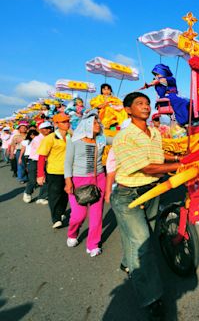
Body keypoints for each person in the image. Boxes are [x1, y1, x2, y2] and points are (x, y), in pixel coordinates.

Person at [111, 92, 181, 320]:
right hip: (128, 195)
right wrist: (179, 165)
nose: (146, 106)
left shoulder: (154, 132)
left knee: (140, 236)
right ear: (128, 110)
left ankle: (126, 262)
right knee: (142, 243)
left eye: (147, 103)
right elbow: (147, 167)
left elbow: (159, 159)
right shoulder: (124, 136)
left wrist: (188, 157)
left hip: (151, 191)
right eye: (139, 103)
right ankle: (152, 298)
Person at [64, 110, 106, 257]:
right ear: (86, 125)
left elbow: (120, 139)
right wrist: (68, 182)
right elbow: (68, 163)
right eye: (94, 123)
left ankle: (93, 244)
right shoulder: (74, 141)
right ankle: (73, 233)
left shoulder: (102, 140)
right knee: (78, 215)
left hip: (99, 178)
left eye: (98, 122)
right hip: (78, 180)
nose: (98, 125)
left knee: (96, 214)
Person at [37, 113, 71, 229]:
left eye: (68, 121)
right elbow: (41, 156)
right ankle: (56, 218)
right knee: (55, 195)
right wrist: (40, 174)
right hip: (54, 171)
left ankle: (61, 212)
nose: (67, 123)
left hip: (69, 171)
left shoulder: (72, 136)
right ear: (56, 124)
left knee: (66, 194)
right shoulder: (49, 138)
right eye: (64, 122)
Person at [31, 121, 53, 205]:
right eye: (46, 128)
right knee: (42, 180)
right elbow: (42, 153)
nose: (48, 130)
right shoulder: (38, 139)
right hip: (37, 160)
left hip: (46, 160)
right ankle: (40, 196)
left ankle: (43, 196)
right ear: (41, 130)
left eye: (49, 128)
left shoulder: (49, 137)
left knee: (47, 180)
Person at [20, 129, 39, 203]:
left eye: (34, 134)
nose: (33, 136)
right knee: (32, 178)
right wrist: (19, 158)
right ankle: (27, 192)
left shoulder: (40, 140)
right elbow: (23, 149)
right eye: (31, 134)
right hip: (29, 158)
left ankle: (42, 197)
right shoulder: (27, 142)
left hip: (41, 158)